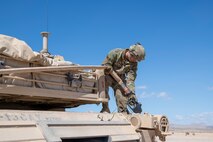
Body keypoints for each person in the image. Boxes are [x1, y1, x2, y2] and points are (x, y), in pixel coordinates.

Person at [100, 43, 145, 113]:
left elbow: (131, 79)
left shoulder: (134, 64)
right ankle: (105, 108)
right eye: (136, 59)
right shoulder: (115, 53)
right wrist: (110, 71)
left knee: (122, 96)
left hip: (120, 79)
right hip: (107, 75)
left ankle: (123, 114)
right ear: (131, 54)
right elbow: (105, 65)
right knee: (103, 85)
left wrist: (131, 93)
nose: (136, 61)